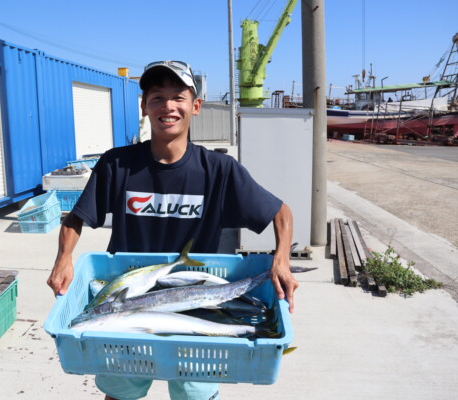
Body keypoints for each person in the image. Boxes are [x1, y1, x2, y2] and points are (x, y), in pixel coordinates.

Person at [47, 60, 298, 400]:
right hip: (129, 300)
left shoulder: (220, 169)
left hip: (197, 303)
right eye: (156, 97)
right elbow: (76, 216)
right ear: (144, 106)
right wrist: (64, 257)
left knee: (194, 394)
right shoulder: (117, 163)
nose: (167, 106)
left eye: (178, 97)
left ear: (195, 106)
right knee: (121, 392)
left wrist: (280, 259)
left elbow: (281, 213)